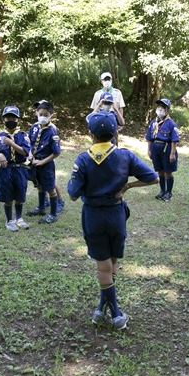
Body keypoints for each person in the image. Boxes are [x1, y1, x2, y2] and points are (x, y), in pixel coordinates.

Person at [67, 113, 158, 330]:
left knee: (103, 264)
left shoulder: (83, 159)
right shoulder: (125, 156)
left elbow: (72, 194)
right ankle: (105, 307)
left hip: (94, 216)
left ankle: (113, 312)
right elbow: (153, 177)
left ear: (91, 134)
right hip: (117, 215)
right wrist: (127, 187)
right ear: (115, 133)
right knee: (112, 260)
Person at [0, 106, 31, 232]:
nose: (11, 120)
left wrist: (11, 144)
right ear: (3, 119)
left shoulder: (23, 135)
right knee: (8, 196)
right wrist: (0, 154)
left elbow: (25, 152)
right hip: (6, 170)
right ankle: (9, 220)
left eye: (13, 118)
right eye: (8, 117)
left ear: (18, 120)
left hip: (20, 169)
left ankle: (19, 218)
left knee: (20, 195)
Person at [27, 100, 62, 224]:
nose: (43, 117)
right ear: (36, 113)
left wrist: (43, 162)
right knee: (40, 186)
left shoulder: (52, 131)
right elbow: (29, 144)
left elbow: (56, 152)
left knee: (50, 188)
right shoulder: (34, 127)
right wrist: (30, 155)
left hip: (46, 165)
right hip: (34, 162)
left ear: (51, 115)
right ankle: (41, 208)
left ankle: (53, 214)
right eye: (40, 114)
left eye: (46, 115)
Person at [145, 98, 179, 202]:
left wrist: (172, 153)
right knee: (159, 171)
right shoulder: (153, 122)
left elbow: (174, 140)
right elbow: (149, 137)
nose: (160, 110)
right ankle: (162, 191)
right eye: (158, 107)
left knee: (167, 171)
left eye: (162, 108)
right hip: (156, 148)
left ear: (167, 110)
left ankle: (168, 192)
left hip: (167, 149)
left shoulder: (171, 123)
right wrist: (149, 150)